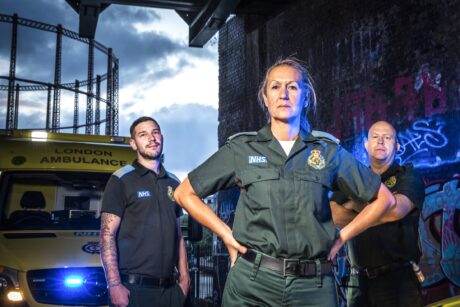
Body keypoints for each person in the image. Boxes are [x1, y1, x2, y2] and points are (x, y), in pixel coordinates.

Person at [173, 57, 400, 306]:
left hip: (313, 286)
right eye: (275, 87)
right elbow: (185, 193)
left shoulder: (328, 152)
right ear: (265, 98)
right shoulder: (241, 149)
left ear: (305, 97)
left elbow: (384, 199)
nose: (283, 94)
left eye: (292, 87)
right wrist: (226, 234)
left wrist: (343, 236)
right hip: (252, 283)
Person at [330, 120, 425, 307]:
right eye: (375, 136)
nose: (380, 141)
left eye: (387, 137)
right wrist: (380, 207)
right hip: (357, 283)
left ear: (397, 145)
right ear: (366, 144)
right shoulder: (353, 178)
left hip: (398, 280)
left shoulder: (408, 176)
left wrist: (354, 204)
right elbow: (336, 215)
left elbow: (396, 210)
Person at [99, 116, 189, 307]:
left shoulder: (174, 183)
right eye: (143, 134)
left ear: (162, 137)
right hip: (134, 291)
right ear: (133, 144)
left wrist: (185, 279)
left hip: (171, 290)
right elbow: (107, 234)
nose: (151, 138)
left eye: (155, 132)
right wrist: (114, 285)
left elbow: (178, 235)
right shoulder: (121, 180)